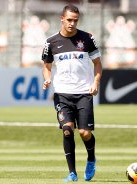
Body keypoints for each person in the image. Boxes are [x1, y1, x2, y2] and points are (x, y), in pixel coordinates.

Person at [41, 4, 102, 182]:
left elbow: (98, 63)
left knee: (84, 133)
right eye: (69, 20)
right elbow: (46, 66)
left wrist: (95, 82)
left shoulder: (87, 38)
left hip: (84, 92)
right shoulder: (50, 42)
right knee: (67, 130)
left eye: (75, 20)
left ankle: (91, 158)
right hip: (62, 93)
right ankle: (72, 173)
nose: (72, 23)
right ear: (62, 19)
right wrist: (47, 78)